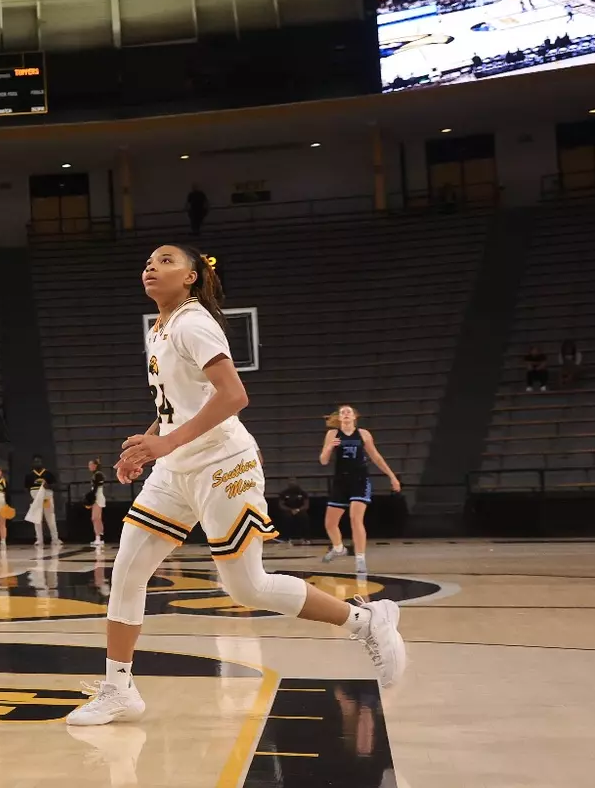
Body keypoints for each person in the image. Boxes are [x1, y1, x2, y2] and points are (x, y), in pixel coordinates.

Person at [66, 244, 406, 728]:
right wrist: (149, 442)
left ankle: (365, 621)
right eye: (148, 261)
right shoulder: (161, 327)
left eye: (165, 260)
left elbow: (234, 394)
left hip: (224, 464)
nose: (151, 266)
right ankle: (118, 688)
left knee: (246, 586)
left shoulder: (193, 322)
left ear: (190, 276)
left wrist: (167, 444)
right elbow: (178, 406)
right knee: (127, 569)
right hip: (176, 469)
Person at [319, 405, 401, 576]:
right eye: (342, 412)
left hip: (360, 481)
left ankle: (360, 558)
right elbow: (323, 461)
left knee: (355, 518)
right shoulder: (332, 434)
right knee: (330, 524)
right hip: (341, 481)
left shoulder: (363, 434)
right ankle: (338, 548)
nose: (346, 414)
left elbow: (376, 457)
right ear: (339, 418)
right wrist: (328, 448)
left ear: (355, 416)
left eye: (349, 411)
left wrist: (392, 476)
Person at [24, 455, 59, 548]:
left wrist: (48, 485)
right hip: (35, 499)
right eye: (35, 462)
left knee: (50, 518)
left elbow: (55, 485)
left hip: (47, 498)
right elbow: (26, 488)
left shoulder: (48, 474)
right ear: (32, 463)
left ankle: (55, 539)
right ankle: (39, 539)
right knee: (37, 520)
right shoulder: (29, 475)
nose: (37, 463)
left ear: (42, 462)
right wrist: (30, 498)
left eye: (39, 461)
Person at [275, 479, 312, 543]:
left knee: (304, 516)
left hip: (300, 510)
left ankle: (306, 538)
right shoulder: (284, 493)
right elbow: (281, 505)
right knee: (286, 517)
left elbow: (306, 505)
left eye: (294, 482)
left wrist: (298, 510)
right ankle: (286, 538)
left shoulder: (303, 493)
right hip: (288, 510)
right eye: (291, 482)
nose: (292, 483)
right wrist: (290, 510)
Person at [85, 458, 108, 549]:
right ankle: (98, 537)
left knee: (95, 518)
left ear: (95, 465)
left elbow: (96, 488)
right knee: (96, 518)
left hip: (98, 497)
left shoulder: (98, 475)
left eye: (90, 465)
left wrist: (91, 498)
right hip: (96, 497)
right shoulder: (95, 475)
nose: (89, 467)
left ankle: (98, 538)